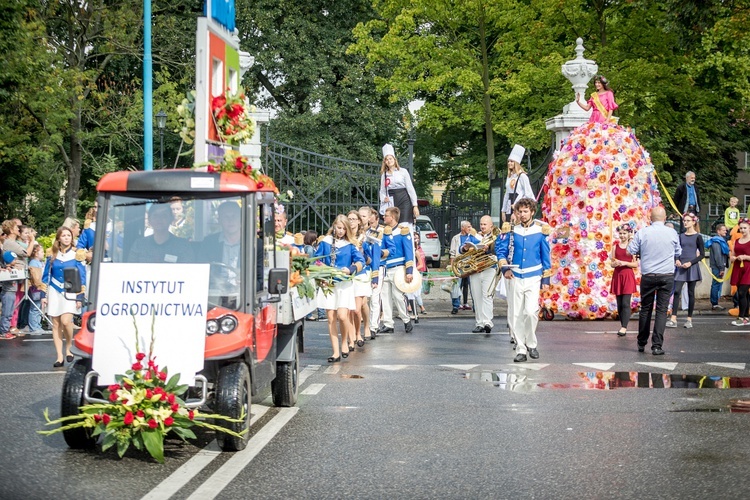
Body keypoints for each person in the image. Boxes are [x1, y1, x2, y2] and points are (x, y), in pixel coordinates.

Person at [542, 74, 661, 319]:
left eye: (598, 84)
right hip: (592, 126)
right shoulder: (594, 97)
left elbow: (608, 110)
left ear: (604, 85)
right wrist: (580, 100)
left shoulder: (608, 96)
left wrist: (605, 125)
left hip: (604, 127)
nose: (596, 87)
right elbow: (588, 108)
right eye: (594, 85)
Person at [495, 198, 551, 362]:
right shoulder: (511, 231)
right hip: (516, 276)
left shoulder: (540, 232)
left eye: (526, 211)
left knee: (531, 312)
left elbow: (545, 256)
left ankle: (531, 343)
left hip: (534, 276)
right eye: (520, 211)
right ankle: (521, 348)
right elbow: (501, 250)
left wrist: (545, 281)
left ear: (532, 212)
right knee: (517, 314)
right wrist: (505, 268)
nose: (522, 214)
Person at [627, 206, 681, 355]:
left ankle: (641, 342)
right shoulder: (672, 232)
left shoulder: (643, 232)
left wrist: (638, 248)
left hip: (649, 275)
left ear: (650, 219)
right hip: (666, 275)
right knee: (662, 310)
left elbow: (630, 250)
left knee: (646, 309)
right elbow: (678, 252)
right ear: (664, 219)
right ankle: (657, 345)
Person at [315, 214, 365, 362]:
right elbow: (316, 260)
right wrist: (322, 272)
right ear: (334, 226)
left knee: (343, 316)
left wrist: (350, 269)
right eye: (339, 227)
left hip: (344, 285)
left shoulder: (350, 245)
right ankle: (335, 352)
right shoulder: (325, 242)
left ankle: (344, 342)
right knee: (330, 318)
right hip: (329, 284)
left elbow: (360, 261)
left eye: (344, 228)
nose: (341, 231)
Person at [41, 227, 86, 366]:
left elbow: (82, 277)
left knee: (66, 321)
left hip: (71, 291)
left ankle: (68, 347)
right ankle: (59, 356)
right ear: (59, 238)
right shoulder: (52, 254)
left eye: (69, 235)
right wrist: (44, 294)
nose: (67, 238)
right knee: (55, 323)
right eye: (64, 235)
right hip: (54, 291)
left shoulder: (77, 254)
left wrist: (80, 296)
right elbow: (45, 276)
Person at [379, 207, 415, 334]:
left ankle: (406, 320)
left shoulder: (402, 231)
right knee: (385, 296)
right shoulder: (382, 231)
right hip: (384, 267)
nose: (384, 217)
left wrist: (409, 270)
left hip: (398, 267)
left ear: (392, 217)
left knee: (398, 296)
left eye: (386, 215)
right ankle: (388, 324)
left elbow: (409, 252)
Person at [666, 212, 704, 329]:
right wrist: (677, 259)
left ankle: (689, 319)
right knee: (677, 291)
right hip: (681, 267)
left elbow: (702, 255)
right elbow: (677, 250)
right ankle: (673, 318)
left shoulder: (698, 236)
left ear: (693, 222)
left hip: (691, 267)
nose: (685, 222)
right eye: (684, 221)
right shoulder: (681, 236)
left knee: (690, 293)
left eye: (687, 220)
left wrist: (691, 263)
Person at [461, 215, 497, 334]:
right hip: (475, 269)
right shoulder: (473, 236)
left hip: (489, 268)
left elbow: (497, 250)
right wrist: (465, 248)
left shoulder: (495, 236)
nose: (482, 226)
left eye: (485, 224)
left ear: (491, 226)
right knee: (477, 297)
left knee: (487, 295)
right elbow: (461, 248)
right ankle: (479, 323)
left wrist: (487, 249)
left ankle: (488, 322)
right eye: (481, 224)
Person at [348, 210, 378, 347]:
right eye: (349, 219)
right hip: (348, 275)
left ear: (359, 221)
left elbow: (371, 259)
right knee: (352, 308)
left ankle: (366, 327)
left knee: (358, 307)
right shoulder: (344, 237)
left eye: (354, 219)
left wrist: (361, 256)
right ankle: (354, 333)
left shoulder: (364, 238)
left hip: (361, 275)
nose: (351, 221)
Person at [128, 203, 194, 263]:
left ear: (171, 219)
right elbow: (131, 270)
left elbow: (186, 272)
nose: (159, 219)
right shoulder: (139, 245)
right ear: (149, 219)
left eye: (164, 215)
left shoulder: (182, 246)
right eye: (155, 215)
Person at [379, 143, 419, 225]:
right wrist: (383, 199)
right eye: (386, 159)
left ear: (394, 159)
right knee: (393, 225)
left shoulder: (403, 171)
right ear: (385, 162)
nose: (389, 161)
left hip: (404, 200)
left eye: (390, 158)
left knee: (404, 224)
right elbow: (382, 190)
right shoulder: (384, 175)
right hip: (392, 202)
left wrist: (415, 205)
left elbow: (410, 188)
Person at [361, 206, 386, 338]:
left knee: (375, 298)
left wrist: (383, 253)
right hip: (363, 268)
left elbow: (389, 249)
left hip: (377, 266)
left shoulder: (380, 232)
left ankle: (373, 327)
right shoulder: (361, 233)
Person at [609, 223, 638, 336]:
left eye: (624, 233)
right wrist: (615, 263)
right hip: (618, 275)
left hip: (627, 275)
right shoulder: (614, 247)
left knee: (626, 303)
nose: (622, 236)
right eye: (620, 233)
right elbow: (612, 263)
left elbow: (635, 264)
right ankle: (623, 324)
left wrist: (624, 263)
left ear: (628, 233)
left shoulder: (631, 247)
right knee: (619, 304)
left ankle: (624, 327)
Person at [501, 145, 534, 224]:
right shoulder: (509, 177)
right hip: (510, 204)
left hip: (519, 205)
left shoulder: (522, 176)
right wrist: (503, 211)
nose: (509, 163)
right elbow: (507, 194)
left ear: (516, 163)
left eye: (511, 161)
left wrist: (516, 205)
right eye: (508, 161)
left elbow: (527, 193)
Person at [449, 221, 473, 314]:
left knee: (473, 286)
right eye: (468, 227)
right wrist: (452, 267)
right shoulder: (456, 238)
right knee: (456, 285)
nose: (470, 228)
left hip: (470, 264)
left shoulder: (472, 237)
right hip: (459, 265)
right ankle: (455, 305)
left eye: (470, 226)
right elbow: (452, 253)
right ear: (462, 228)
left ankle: (475, 305)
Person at [730, 219, 750, 326]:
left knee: (742, 292)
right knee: (744, 293)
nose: (742, 230)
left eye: (744, 228)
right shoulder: (737, 240)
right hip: (738, 268)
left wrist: (746, 257)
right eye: (741, 228)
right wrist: (733, 258)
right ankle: (746, 317)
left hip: (748, 268)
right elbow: (732, 254)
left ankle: (741, 318)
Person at [706, 223, 729, 310]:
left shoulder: (719, 240)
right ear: (718, 231)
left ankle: (715, 302)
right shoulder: (717, 241)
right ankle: (714, 303)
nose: (726, 232)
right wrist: (721, 268)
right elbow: (718, 256)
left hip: (719, 266)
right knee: (716, 284)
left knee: (718, 284)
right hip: (717, 267)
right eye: (724, 230)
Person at [1, 251, 23, 340]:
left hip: (13, 292)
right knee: (6, 313)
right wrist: (7, 270)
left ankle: (6, 330)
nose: (16, 260)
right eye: (14, 259)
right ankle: (3, 331)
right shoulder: (5, 269)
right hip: (7, 293)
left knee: (10, 313)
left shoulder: (13, 268)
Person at [27, 243, 45, 333]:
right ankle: (33, 327)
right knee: (35, 307)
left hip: (40, 287)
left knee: (38, 307)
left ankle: (37, 325)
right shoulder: (33, 263)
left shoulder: (39, 262)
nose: (43, 253)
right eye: (42, 252)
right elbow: (35, 276)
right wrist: (39, 285)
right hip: (36, 288)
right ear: (36, 253)